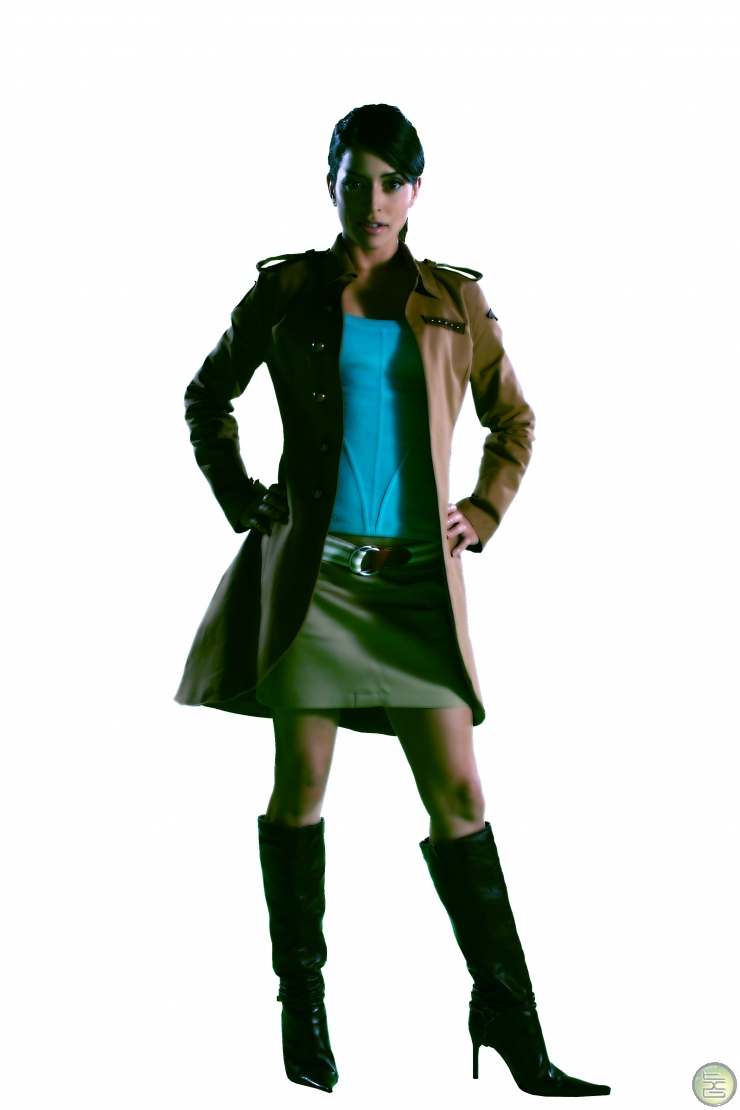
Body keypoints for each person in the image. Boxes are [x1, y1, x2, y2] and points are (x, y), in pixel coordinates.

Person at [175, 103, 610, 1098]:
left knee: (460, 796)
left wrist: (483, 510)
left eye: (391, 182)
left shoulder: (456, 301)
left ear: (416, 190)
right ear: (329, 183)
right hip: (315, 580)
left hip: (416, 583)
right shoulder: (287, 291)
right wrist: (242, 496)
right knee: (301, 788)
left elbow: (514, 419)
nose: (372, 201)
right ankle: (302, 1006)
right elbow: (207, 395)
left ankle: (509, 1019)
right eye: (355, 180)